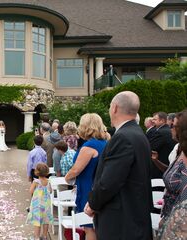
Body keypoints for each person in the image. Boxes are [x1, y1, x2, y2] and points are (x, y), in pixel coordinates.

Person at [86, 91, 153, 240]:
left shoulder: (123, 137)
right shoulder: (139, 134)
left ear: (115, 108)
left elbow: (109, 182)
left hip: (121, 222)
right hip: (135, 215)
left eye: (110, 106)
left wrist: (93, 204)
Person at [64, 113, 108, 240]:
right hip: (99, 186)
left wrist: (67, 178)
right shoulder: (105, 143)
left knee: (89, 228)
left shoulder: (89, 146)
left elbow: (76, 169)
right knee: (98, 226)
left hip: (88, 188)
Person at [160, 110, 187, 224]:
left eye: (173, 126)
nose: (170, 128)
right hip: (169, 216)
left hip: (180, 222)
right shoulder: (180, 149)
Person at [26, 162, 53, 240]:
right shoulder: (48, 181)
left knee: (37, 221)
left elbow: (31, 191)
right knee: (46, 220)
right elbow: (50, 191)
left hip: (37, 204)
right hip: (46, 204)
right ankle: (44, 236)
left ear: (37, 172)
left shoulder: (36, 182)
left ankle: (36, 237)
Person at [150, 112, 177, 178]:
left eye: (155, 119)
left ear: (162, 120)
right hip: (166, 166)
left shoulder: (161, 132)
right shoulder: (165, 130)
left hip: (160, 168)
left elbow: (150, 147)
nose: (152, 121)